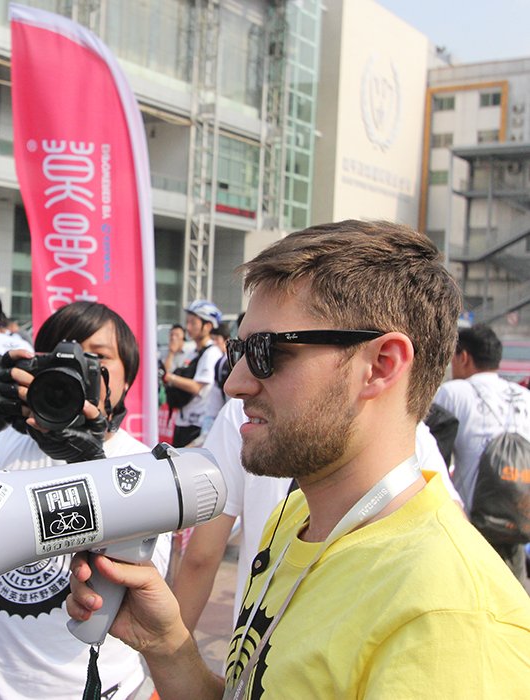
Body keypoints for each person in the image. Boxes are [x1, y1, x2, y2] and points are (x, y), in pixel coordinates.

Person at [68, 220, 530, 699]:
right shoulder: (296, 518)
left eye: (268, 352)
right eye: (239, 350)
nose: (236, 383)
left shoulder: (450, 621)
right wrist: (167, 647)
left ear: (381, 365)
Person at [0, 301, 171, 700]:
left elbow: (134, 578)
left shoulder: (145, 468)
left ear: (128, 379)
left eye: (97, 357)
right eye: (60, 355)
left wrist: (92, 465)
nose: (74, 367)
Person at [174, 398, 465, 632]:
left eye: (272, 351)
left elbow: (202, 556)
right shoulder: (401, 427)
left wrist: (174, 651)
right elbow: (457, 537)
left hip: (258, 654)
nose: (237, 381)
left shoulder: (241, 415)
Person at [435, 324, 530, 587]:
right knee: (516, 601)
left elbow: (433, 456)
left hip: (470, 524)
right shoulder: (525, 397)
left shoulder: (453, 393)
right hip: (518, 520)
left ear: (463, 357)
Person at [165, 300, 224, 447]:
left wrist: (169, 377)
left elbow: (197, 387)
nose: (188, 327)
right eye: (187, 322)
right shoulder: (192, 352)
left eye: (193, 322)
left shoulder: (212, 353)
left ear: (208, 326)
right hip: (182, 420)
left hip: (197, 424)